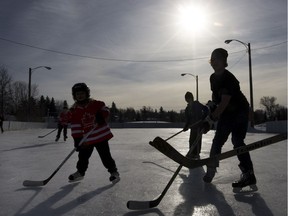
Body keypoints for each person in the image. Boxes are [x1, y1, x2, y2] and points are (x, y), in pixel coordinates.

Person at [203, 48, 256, 189]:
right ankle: (211, 170)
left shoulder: (229, 78)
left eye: (217, 59)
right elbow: (217, 99)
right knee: (218, 140)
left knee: (237, 141)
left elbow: (225, 101)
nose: (214, 62)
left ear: (224, 61)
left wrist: (213, 117)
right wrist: (211, 108)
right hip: (227, 113)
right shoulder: (213, 78)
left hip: (239, 112)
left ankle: (248, 174)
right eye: (212, 59)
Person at [68, 83, 120, 184]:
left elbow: (106, 110)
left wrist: (101, 115)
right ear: (74, 96)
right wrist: (77, 140)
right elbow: (75, 126)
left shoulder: (96, 104)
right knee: (82, 157)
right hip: (87, 139)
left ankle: (114, 172)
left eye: (82, 93)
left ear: (87, 94)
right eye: (77, 94)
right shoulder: (74, 111)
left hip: (100, 136)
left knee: (105, 156)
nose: (80, 95)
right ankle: (80, 172)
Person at [183, 92, 208, 159]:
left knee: (197, 141)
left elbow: (206, 109)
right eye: (186, 98)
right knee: (191, 140)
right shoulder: (187, 109)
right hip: (193, 127)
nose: (187, 100)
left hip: (199, 127)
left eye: (188, 98)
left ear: (191, 98)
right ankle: (191, 153)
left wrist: (203, 116)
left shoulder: (196, 104)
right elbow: (188, 120)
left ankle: (196, 154)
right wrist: (186, 127)